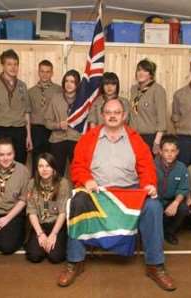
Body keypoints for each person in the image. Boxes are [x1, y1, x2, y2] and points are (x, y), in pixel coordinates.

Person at [57, 98, 176, 291]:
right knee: (76, 202)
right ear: (103, 115)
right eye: (109, 112)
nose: (112, 116)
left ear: (124, 116)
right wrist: (86, 180)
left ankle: (155, 266)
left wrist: (148, 185)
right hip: (97, 192)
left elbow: (147, 167)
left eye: (117, 112)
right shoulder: (88, 138)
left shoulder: (135, 139)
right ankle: (74, 262)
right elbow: (77, 166)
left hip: (128, 193)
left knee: (154, 207)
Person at [0, 49, 32, 164]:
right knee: (0, 165)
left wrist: (28, 136)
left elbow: (26, 112)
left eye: (16, 64)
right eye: (9, 64)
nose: (13, 67)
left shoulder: (22, 86)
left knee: (20, 165)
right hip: (0, 130)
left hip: (19, 131)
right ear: (2, 65)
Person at [25, 153, 71, 263]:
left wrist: (53, 234)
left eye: (48, 166)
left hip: (57, 224)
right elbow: (32, 211)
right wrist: (40, 234)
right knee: (34, 256)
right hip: (40, 224)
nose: (44, 169)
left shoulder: (63, 184)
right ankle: (39, 242)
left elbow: (62, 212)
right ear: (37, 168)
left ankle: (59, 240)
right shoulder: (32, 183)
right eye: (41, 166)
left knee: (55, 257)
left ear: (53, 168)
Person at [44, 69, 81, 176]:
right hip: (57, 140)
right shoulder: (56, 98)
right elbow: (47, 122)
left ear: (77, 84)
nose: (69, 84)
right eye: (66, 81)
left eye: (72, 82)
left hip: (76, 140)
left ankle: (78, 193)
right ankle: (57, 193)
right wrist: (58, 125)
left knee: (77, 172)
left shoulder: (82, 100)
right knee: (56, 173)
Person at [28, 60, 62, 173]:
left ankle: (51, 188)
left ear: (52, 73)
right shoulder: (31, 91)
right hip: (36, 130)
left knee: (52, 161)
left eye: (48, 72)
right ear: (38, 72)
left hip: (52, 130)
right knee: (36, 161)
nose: (45, 74)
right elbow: (27, 113)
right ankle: (35, 187)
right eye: (42, 71)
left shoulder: (59, 90)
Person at [155, 134, 190, 245]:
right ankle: (155, 232)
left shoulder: (182, 167)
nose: (169, 154)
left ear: (177, 152)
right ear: (160, 151)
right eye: (166, 151)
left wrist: (175, 203)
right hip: (156, 200)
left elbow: (183, 188)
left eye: (173, 151)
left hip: (171, 200)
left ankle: (169, 232)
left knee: (184, 208)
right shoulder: (152, 165)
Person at [129, 59, 167, 154]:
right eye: (139, 70)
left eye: (145, 70)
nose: (141, 73)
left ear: (151, 74)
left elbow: (161, 119)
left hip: (150, 137)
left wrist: (157, 142)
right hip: (134, 136)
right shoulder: (134, 89)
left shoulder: (158, 90)